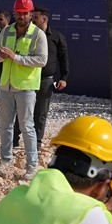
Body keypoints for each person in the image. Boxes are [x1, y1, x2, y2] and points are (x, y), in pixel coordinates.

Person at [0, 0, 47, 177]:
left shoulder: (38, 34)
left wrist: (16, 57)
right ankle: (6, 159)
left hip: (26, 87)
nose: (21, 16)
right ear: (14, 13)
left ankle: (32, 166)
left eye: (25, 13)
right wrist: (0, 56)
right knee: (5, 126)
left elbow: (42, 60)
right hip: (6, 85)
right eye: (18, 13)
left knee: (27, 127)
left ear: (31, 14)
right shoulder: (6, 31)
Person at [31, 7, 69, 144]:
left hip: (45, 80)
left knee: (41, 111)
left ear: (44, 19)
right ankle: (16, 139)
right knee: (23, 110)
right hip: (27, 78)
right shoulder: (29, 35)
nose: (32, 20)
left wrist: (64, 78)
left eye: (35, 18)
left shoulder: (57, 37)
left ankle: (37, 141)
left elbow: (64, 58)